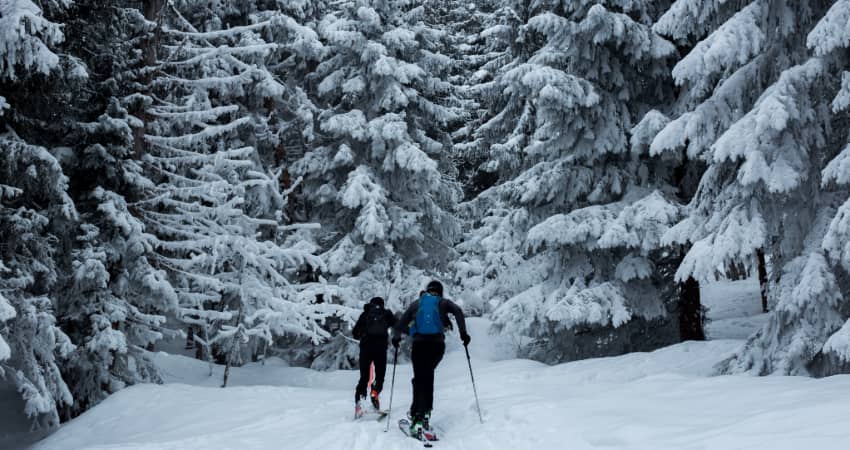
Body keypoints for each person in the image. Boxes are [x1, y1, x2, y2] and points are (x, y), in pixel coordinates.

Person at [392, 280, 470, 437]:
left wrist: (396, 338)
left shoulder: (418, 303)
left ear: (427, 291)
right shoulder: (443, 302)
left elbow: (401, 322)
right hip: (437, 347)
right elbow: (458, 311)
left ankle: (417, 420)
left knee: (420, 380)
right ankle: (426, 413)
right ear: (440, 291)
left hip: (420, 346)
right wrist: (463, 334)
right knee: (428, 378)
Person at [351, 296, 396, 416]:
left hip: (366, 348)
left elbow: (355, 333)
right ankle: (375, 393)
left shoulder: (365, 314)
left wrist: (361, 335)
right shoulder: (386, 314)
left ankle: (359, 403)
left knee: (364, 377)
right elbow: (397, 326)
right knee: (380, 376)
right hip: (380, 349)